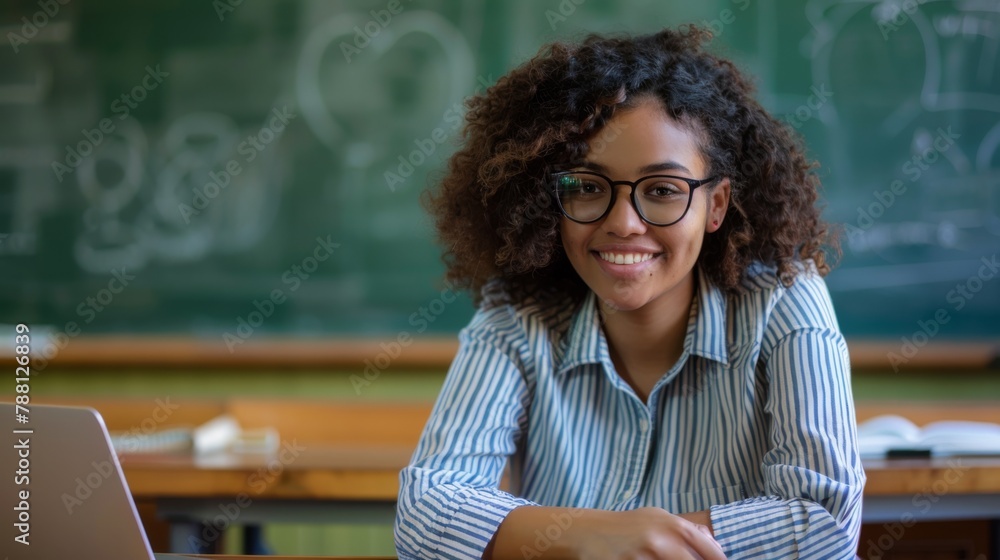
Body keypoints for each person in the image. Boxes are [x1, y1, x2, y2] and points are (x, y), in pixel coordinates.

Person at [395, 25, 865, 560]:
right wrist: (599, 535)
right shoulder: (518, 319)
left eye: (662, 191)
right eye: (589, 187)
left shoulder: (784, 302)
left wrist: (630, 543)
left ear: (716, 205)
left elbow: (826, 522)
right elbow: (424, 514)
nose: (623, 223)